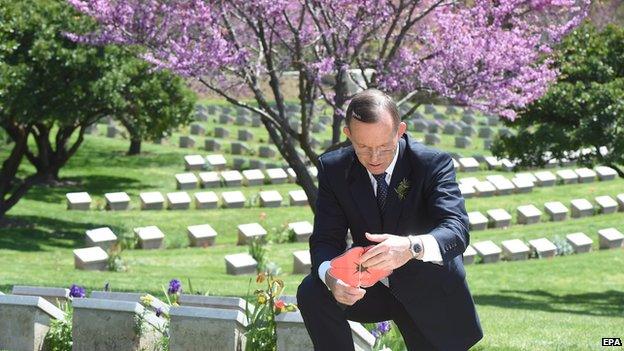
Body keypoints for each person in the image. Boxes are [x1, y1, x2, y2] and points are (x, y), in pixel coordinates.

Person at [297, 89, 483, 350]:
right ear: (348, 134)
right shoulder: (334, 169)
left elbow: (457, 230)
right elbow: (326, 238)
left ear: (400, 130)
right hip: (369, 286)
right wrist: (332, 278)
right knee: (313, 291)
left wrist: (410, 247)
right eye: (363, 147)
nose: (374, 158)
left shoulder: (432, 164)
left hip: (429, 286)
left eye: (384, 146)